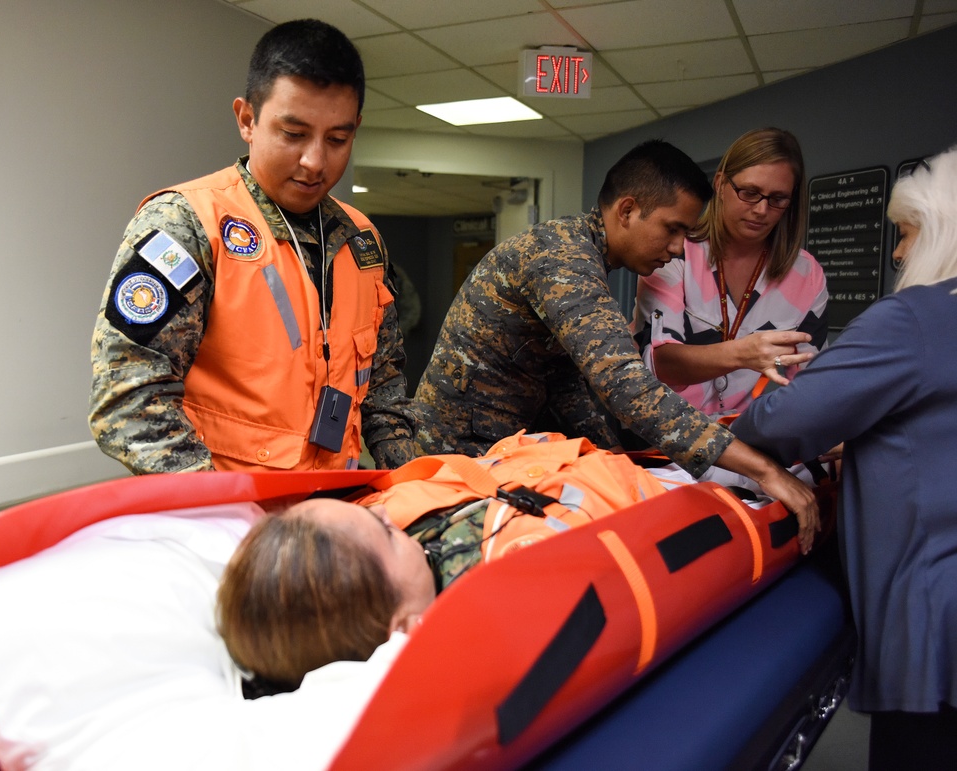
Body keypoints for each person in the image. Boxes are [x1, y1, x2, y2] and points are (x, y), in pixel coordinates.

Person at [217, 429, 820, 694]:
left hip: (594, 459)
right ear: (404, 626)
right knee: (813, 452)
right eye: (386, 533)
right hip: (680, 495)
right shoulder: (519, 589)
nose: (388, 518)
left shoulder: (375, 541)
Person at [413, 140, 817, 525]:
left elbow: (569, 385)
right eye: (673, 228)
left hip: (493, 452)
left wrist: (619, 464)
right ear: (627, 210)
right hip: (456, 463)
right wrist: (765, 471)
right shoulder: (561, 259)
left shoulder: (583, 255)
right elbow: (628, 388)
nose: (679, 248)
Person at [89, 19, 416, 475]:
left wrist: (417, 487)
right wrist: (225, 511)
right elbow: (129, 400)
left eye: (338, 139)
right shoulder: (188, 222)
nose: (315, 161)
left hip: (336, 503)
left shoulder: (362, 240)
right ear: (247, 120)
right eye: (294, 134)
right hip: (228, 516)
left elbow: (383, 391)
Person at [731, 148, 957, 771]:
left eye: (907, 236)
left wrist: (750, 417)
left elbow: (783, 419)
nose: (899, 255)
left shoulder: (915, 319)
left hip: (938, 621)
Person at [631, 128, 828, 418]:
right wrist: (742, 354)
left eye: (777, 199)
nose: (762, 210)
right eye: (750, 193)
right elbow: (661, 361)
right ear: (721, 184)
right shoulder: (674, 252)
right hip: (661, 433)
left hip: (739, 438)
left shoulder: (806, 274)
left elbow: (813, 381)